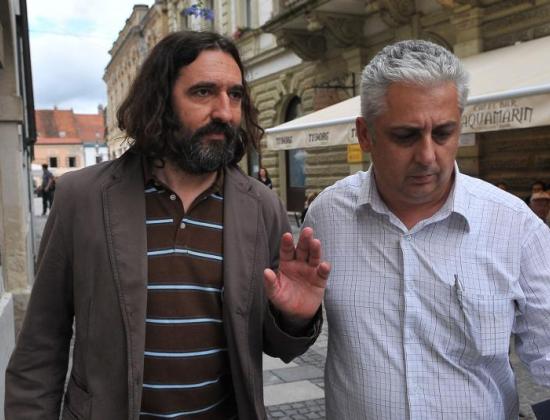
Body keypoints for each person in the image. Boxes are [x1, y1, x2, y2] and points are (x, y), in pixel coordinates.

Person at [5, 31, 330, 420]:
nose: (225, 112)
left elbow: (279, 347)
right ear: (159, 100)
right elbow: (41, 343)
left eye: (235, 95)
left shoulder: (261, 206)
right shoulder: (83, 197)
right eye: (203, 92)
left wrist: (294, 317)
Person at [304, 39, 550, 419]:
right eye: (405, 136)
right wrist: (293, 318)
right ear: (365, 134)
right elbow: (292, 329)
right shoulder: (327, 216)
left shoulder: (514, 225)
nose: (427, 156)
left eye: (443, 133)